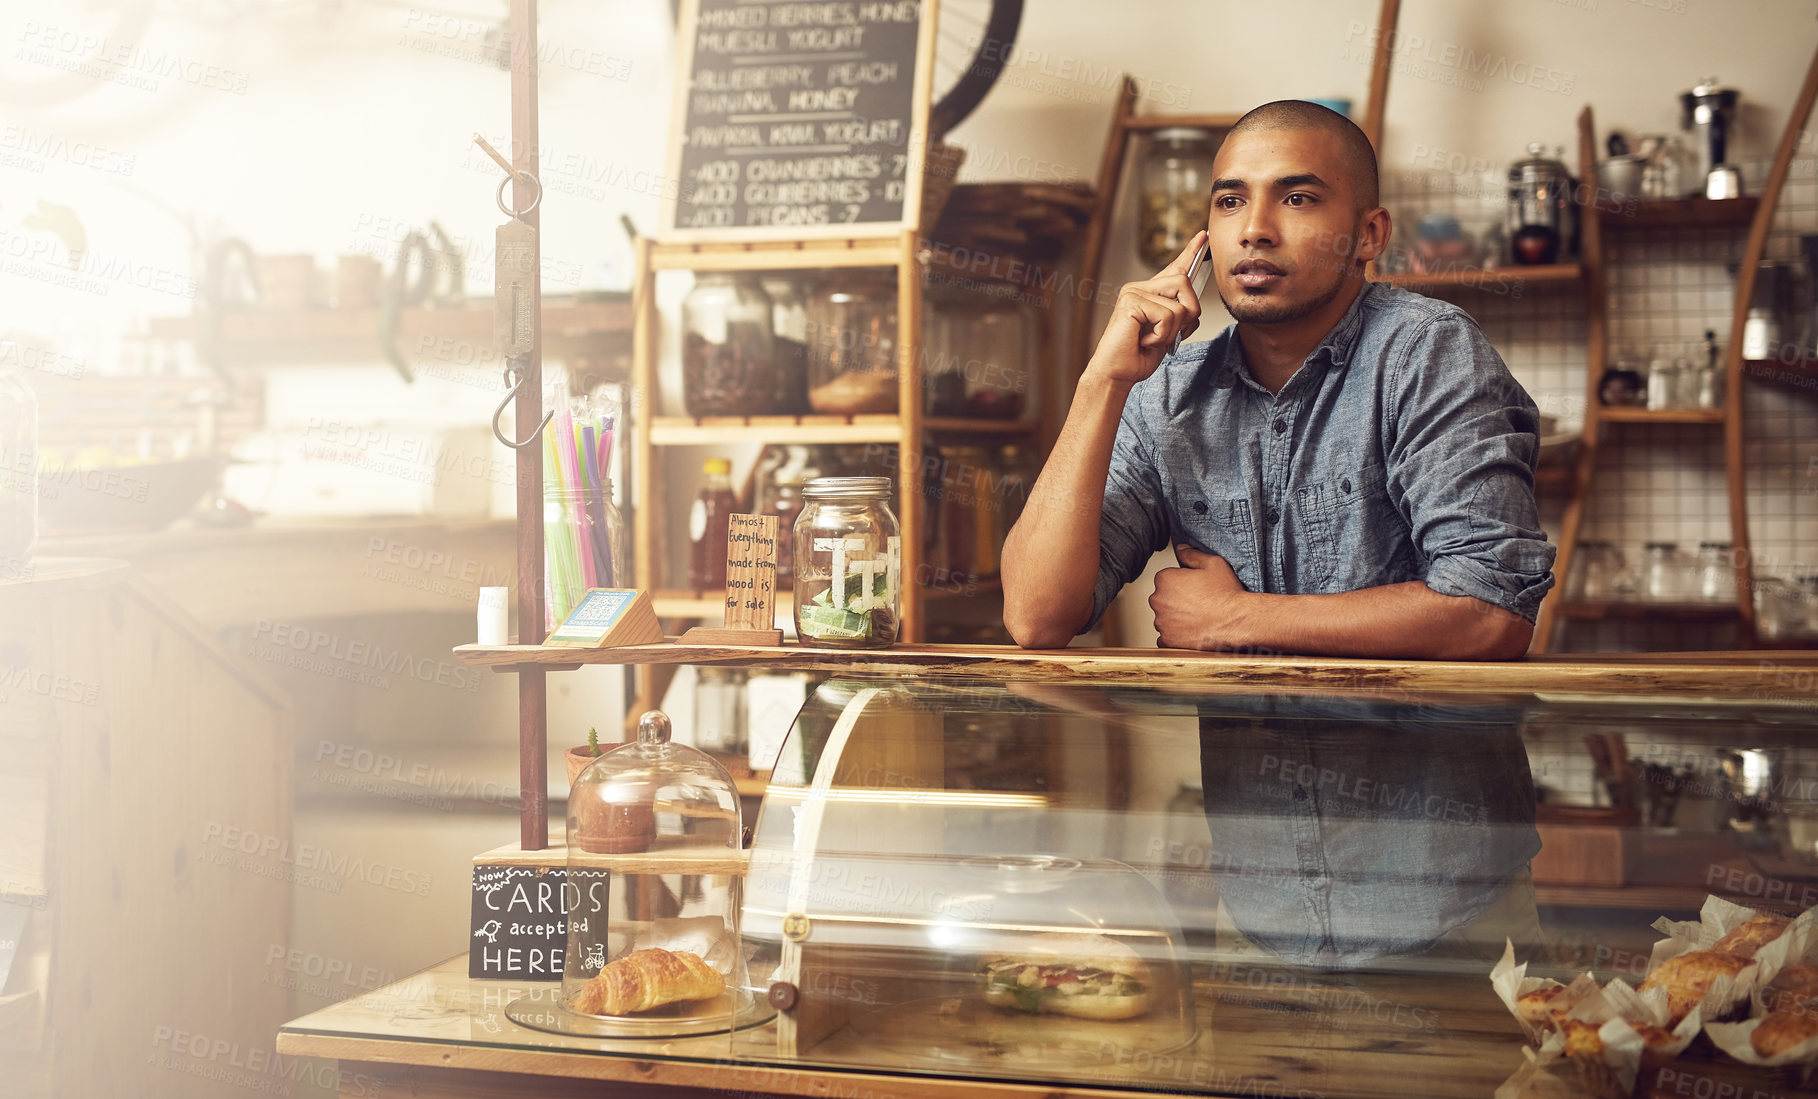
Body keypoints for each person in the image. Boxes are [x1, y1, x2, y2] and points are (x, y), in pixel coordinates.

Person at [1001, 100, 1554, 658]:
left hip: (1413, 745)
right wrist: (1102, 382)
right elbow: (1036, 618)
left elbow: (1491, 612)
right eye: (1230, 201)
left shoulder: (1427, 351)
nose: (1254, 230)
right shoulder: (1167, 394)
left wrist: (1236, 618)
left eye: (1297, 199)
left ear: (1369, 234)